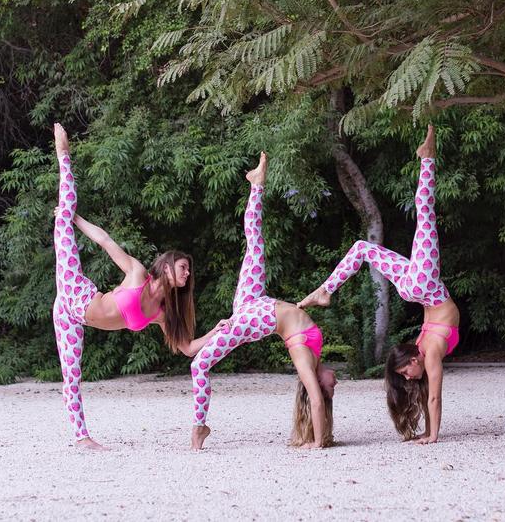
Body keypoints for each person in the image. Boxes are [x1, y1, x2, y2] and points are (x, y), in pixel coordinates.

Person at [52, 123, 227, 449]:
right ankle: (64, 154)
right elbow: (105, 240)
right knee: (62, 217)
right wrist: (74, 218)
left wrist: (216, 331)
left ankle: (81, 438)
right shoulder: (137, 273)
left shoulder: (161, 313)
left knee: (72, 377)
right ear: (167, 265)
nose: (187, 274)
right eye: (183, 267)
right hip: (75, 292)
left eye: (189, 272)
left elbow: (188, 348)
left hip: (73, 319)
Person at [298, 125, 459, 444]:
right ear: (414, 360)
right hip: (421, 286)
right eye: (405, 375)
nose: (408, 379)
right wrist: (432, 435)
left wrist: (431, 434)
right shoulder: (430, 354)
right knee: (411, 223)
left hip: (422, 286)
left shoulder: (427, 353)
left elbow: (433, 398)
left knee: (370, 244)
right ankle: (427, 159)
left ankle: (326, 290)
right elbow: (434, 397)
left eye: (404, 374)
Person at [190, 152, 338, 450]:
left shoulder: (305, 361)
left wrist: (319, 443)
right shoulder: (316, 354)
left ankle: (198, 427)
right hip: (255, 302)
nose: (336, 383)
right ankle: (257, 185)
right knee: (255, 242)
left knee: (199, 364)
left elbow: (317, 402)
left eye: (332, 389)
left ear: (321, 387)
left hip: (253, 319)